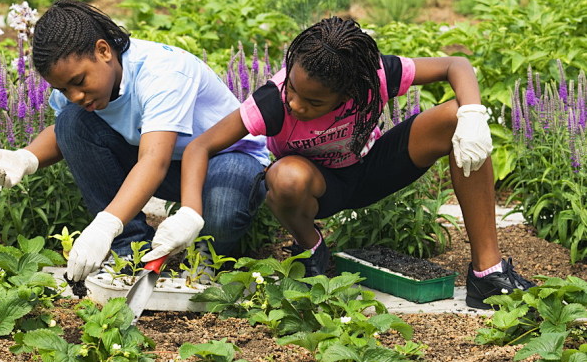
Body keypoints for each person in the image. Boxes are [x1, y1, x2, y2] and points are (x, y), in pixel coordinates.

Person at [142, 16, 535, 309]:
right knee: (283, 175)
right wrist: (192, 211)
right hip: (318, 188)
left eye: (312, 102)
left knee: (456, 117)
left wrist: (472, 115)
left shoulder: (374, 76)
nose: (295, 103)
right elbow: (200, 146)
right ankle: (312, 247)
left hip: (373, 167)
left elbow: (456, 65)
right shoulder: (274, 101)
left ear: (349, 91)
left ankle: (488, 274)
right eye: (293, 89)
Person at [0, 0, 269, 282]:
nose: (74, 95)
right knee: (72, 121)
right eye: (63, 89)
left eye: (79, 82)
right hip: (172, 167)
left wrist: (104, 225)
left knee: (221, 208)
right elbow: (64, 132)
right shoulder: (80, 90)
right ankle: (130, 250)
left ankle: (206, 256)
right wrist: (25, 158)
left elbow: (154, 160)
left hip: (231, 163)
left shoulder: (162, 73)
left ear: (103, 51)